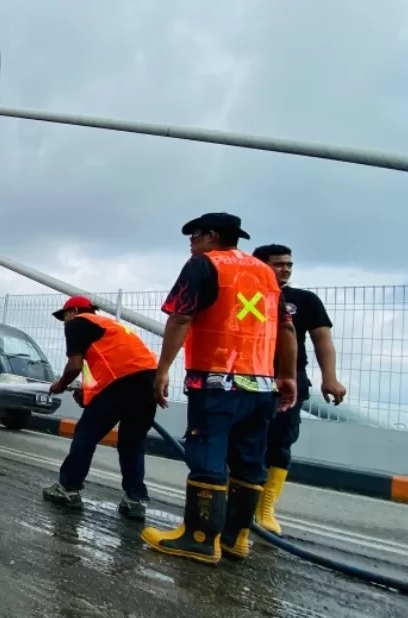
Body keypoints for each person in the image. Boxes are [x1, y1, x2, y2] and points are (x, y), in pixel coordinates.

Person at [141, 212, 298, 565]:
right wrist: (286, 376)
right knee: (248, 460)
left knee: (208, 454)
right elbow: (286, 330)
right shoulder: (265, 274)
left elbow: (181, 317)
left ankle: (198, 538)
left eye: (194, 235)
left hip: (215, 382)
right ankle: (236, 539)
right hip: (261, 386)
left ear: (211, 236)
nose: (191, 242)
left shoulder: (202, 265)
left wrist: (163, 369)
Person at [251, 244, 347, 535]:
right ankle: (239, 500)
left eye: (289, 264)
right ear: (260, 265)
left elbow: (322, 340)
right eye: (278, 264)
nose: (286, 269)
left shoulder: (305, 300)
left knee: (280, 442)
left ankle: (265, 508)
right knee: (245, 441)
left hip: (290, 379)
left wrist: (330, 378)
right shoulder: (246, 297)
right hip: (248, 375)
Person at [41, 295, 159, 521]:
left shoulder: (78, 323)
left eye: (63, 316)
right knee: (132, 443)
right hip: (148, 382)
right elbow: (108, 367)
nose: (63, 322)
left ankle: (68, 489)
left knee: (85, 435)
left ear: (74, 311)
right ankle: (134, 501)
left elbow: (75, 366)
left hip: (121, 384)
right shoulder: (110, 326)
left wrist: (61, 384)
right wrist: (86, 394)